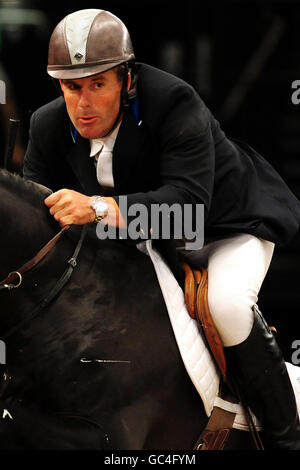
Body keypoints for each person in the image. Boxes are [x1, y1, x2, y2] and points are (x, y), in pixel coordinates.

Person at [23, 9, 300, 450]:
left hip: (225, 225)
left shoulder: (174, 101)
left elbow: (187, 211)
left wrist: (95, 207)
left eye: (98, 84)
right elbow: (42, 222)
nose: (83, 103)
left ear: (126, 79)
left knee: (225, 305)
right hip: (145, 236)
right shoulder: (47, 124)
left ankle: (286, 435)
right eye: (72, 87)